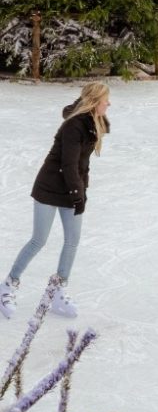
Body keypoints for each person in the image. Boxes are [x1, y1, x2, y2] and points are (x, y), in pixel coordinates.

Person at [0, 82, 111, 320]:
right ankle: (8, 285)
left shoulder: (92, 123)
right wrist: (77, 194)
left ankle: (56, 293)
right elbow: (68, 164)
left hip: (71, 187)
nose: (108, 104)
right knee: (38, 240)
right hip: (49, 188)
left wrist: (82, 190)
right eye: (105, 100)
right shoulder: (74, 126)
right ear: (94, 101)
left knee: (72, 241)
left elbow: (82, 165)